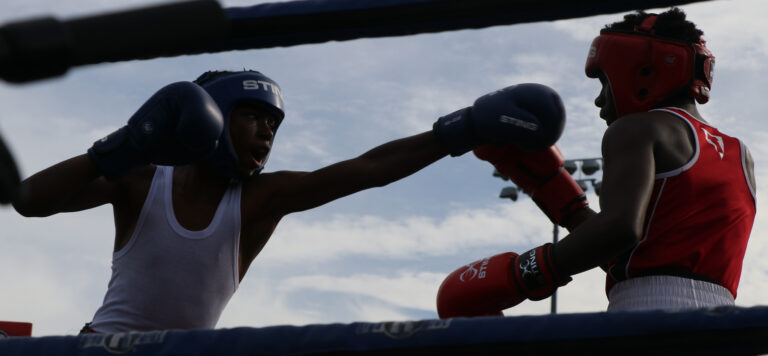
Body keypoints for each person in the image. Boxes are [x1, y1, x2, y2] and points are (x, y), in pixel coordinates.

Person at [11, 70, 567, 333]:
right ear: (211, 113)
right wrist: (118, 147)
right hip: (99, 347)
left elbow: (366, 170)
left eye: (273, 123)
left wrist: (461, 129)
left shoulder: (258, 200)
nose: (266, 132)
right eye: (253, 116)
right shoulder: (139, 179)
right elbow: (31, 200)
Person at [436, 8, 756, 317]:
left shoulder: (636, 128)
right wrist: (556, 192)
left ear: (641, 71)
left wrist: (525, 272)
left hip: (644, 313)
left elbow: (620, 229)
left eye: (604, 81)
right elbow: (641, 253)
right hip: (723, 325)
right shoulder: (740, 154)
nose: (600, 99)